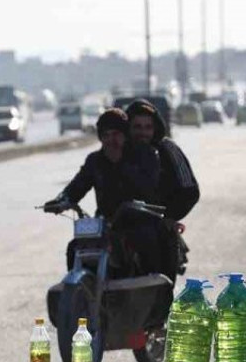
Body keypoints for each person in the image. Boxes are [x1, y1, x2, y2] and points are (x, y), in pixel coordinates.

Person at [45, 107, 165, 276]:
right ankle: (80, 294)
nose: (111, 140)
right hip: (105, 223)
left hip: (138, 220)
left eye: (116, 134)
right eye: (106, 135)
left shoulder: (144, 155)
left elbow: (150, 187)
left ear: (125, 135)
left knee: (147, 240)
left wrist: (125, 168)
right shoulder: (95, 161)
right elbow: (77, 186)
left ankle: (151, 292)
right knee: (75, 247)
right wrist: (62, 201)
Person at [124, 99, 200, 276]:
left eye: (147, 127)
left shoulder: (168, 149)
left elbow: (190, 190)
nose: (142, 132)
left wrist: (169, 217)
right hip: (122, 220)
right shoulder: (119, 149)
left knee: (161, 278)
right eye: (137, 127)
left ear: (155, 128)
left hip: (158, 223)